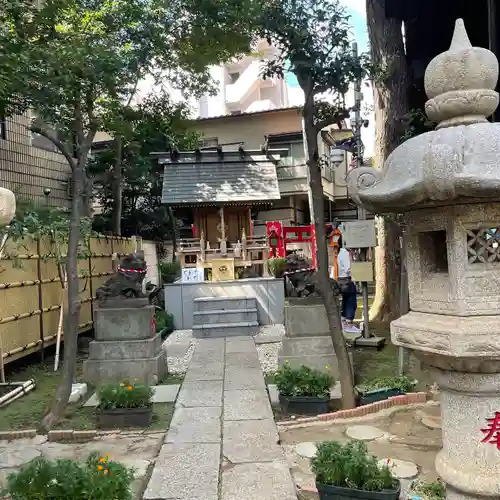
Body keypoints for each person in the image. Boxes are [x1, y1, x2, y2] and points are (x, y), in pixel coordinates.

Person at [334, 236, 361, 334]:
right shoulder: (345, 254)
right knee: (351, 302)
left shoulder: (341, 252)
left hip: (341, 280)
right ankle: (349, 324)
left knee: (346, 301)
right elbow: (348, 269)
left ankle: (344, 322)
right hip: (347, 280)